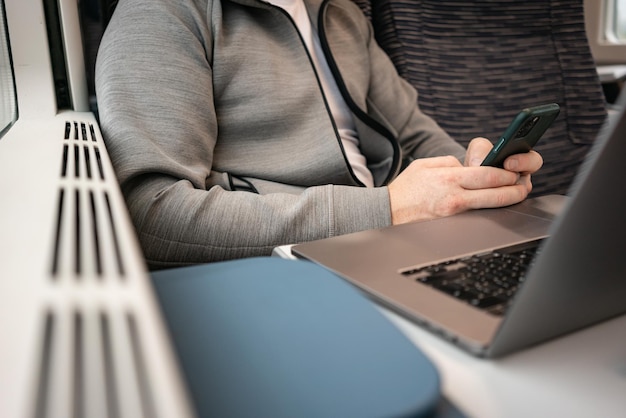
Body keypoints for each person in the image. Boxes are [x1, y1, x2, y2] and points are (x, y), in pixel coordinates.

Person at [95, 0, 543, 269]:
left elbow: (415, 133)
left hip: (392, 242)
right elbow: (152, 216)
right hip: (286, 265)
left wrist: (474, 179)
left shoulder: (340, 12)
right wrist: (388, 207)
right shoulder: (162, 12)